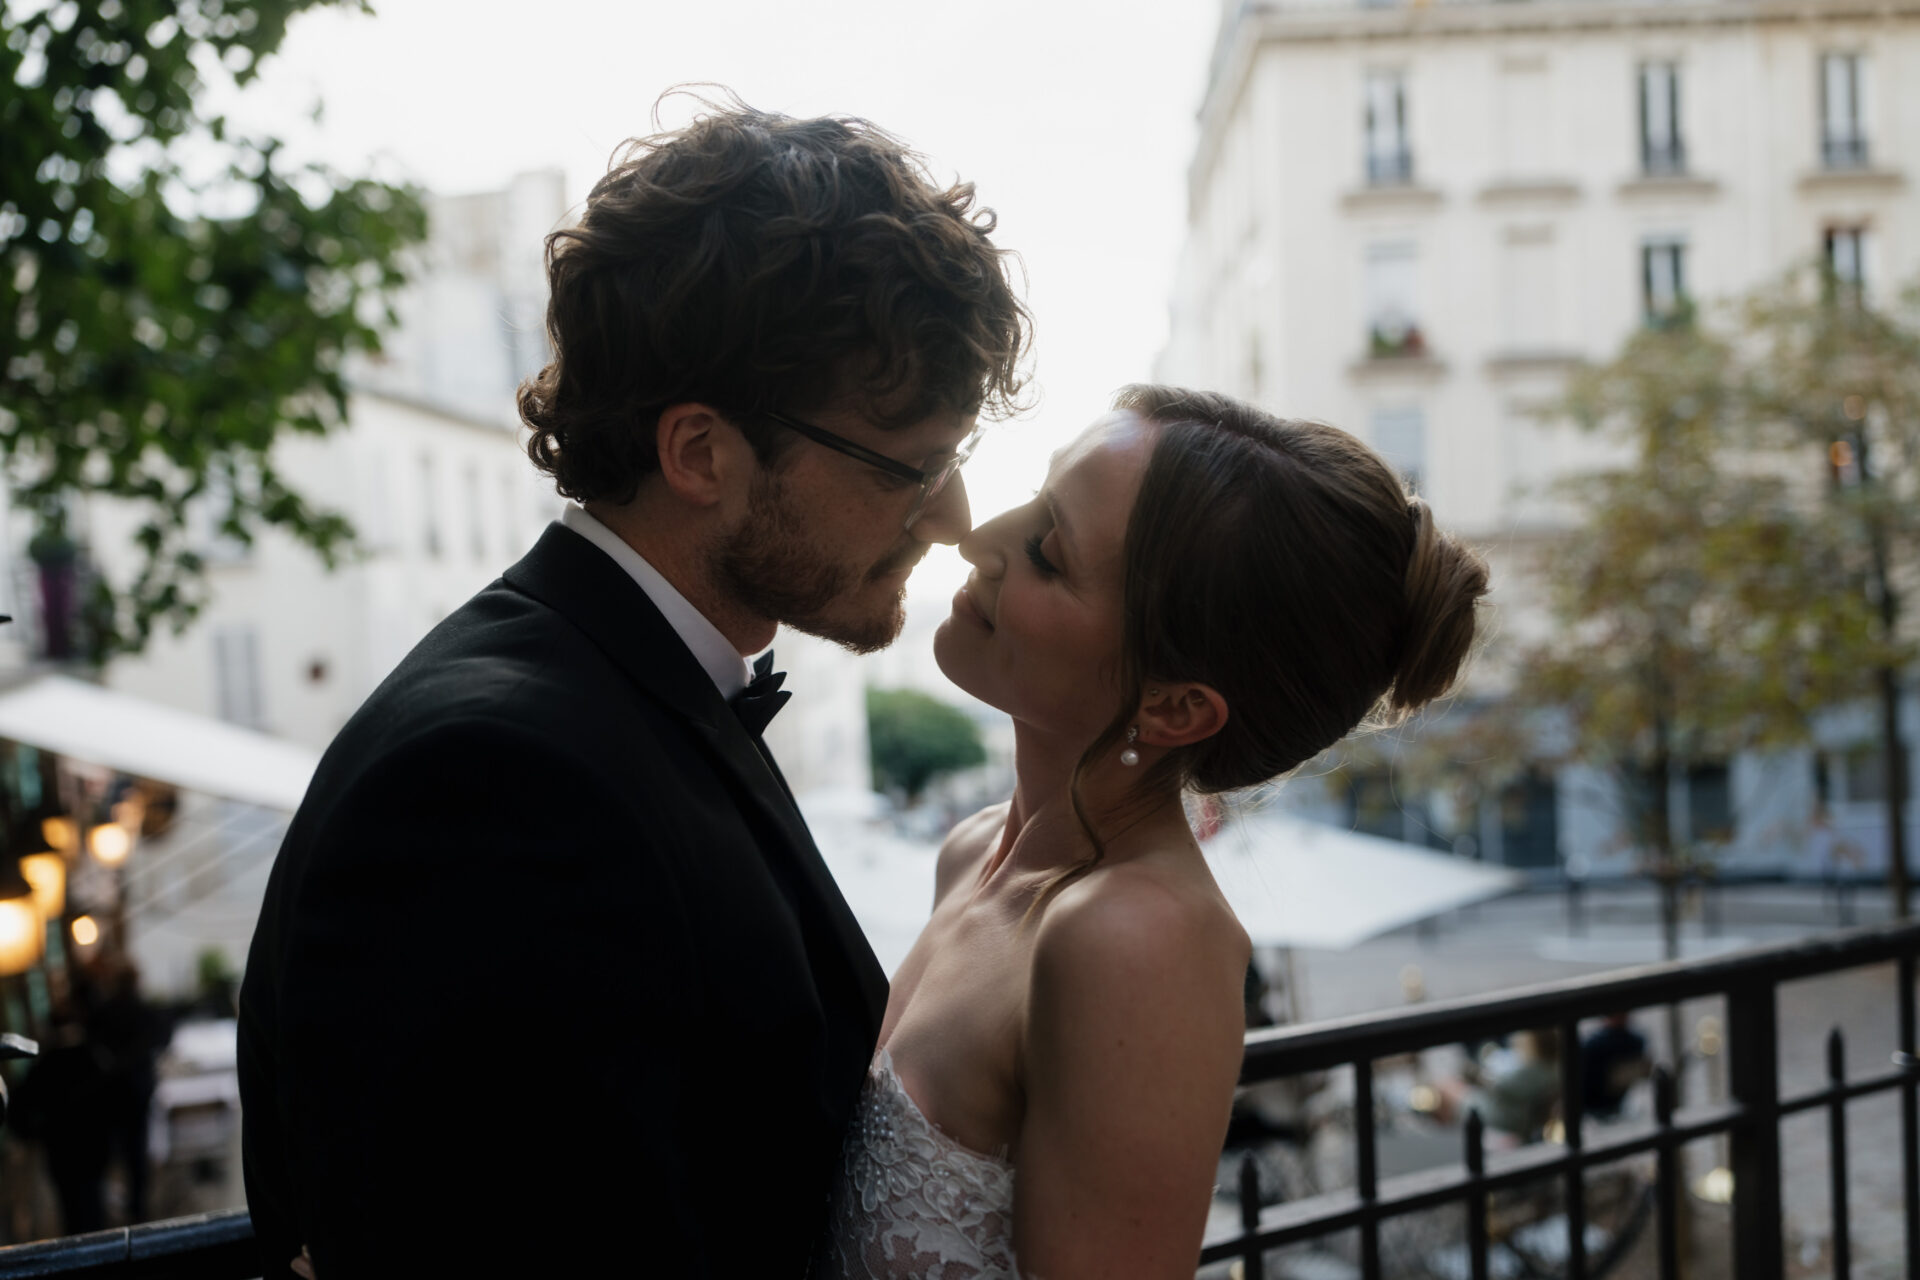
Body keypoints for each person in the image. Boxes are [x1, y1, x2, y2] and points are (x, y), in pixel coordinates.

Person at [237, 95, 1029, 1277]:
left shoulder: (617, 688)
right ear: (700, 452)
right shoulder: (496, 788)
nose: (959, 517)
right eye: (908, 465)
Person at [817, 386, 1489, 1278]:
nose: (978, 538)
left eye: (1048, 550)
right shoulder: (975, 852)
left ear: (1172, 707)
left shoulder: (1137, 939)